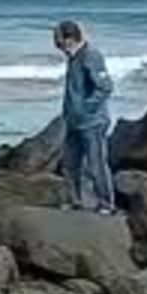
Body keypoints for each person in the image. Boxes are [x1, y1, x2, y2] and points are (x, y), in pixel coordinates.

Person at [54, 19, 116, 213]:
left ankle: (106, 204)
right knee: (71, 164)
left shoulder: (91, 56)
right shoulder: (73, 58)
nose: (59, 48)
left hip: (92, 122)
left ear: (70, 39)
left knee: (96, 164)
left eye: (61, 43)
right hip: (73, 122)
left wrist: (85, 110)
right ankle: (74, 200)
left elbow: (105, 88)